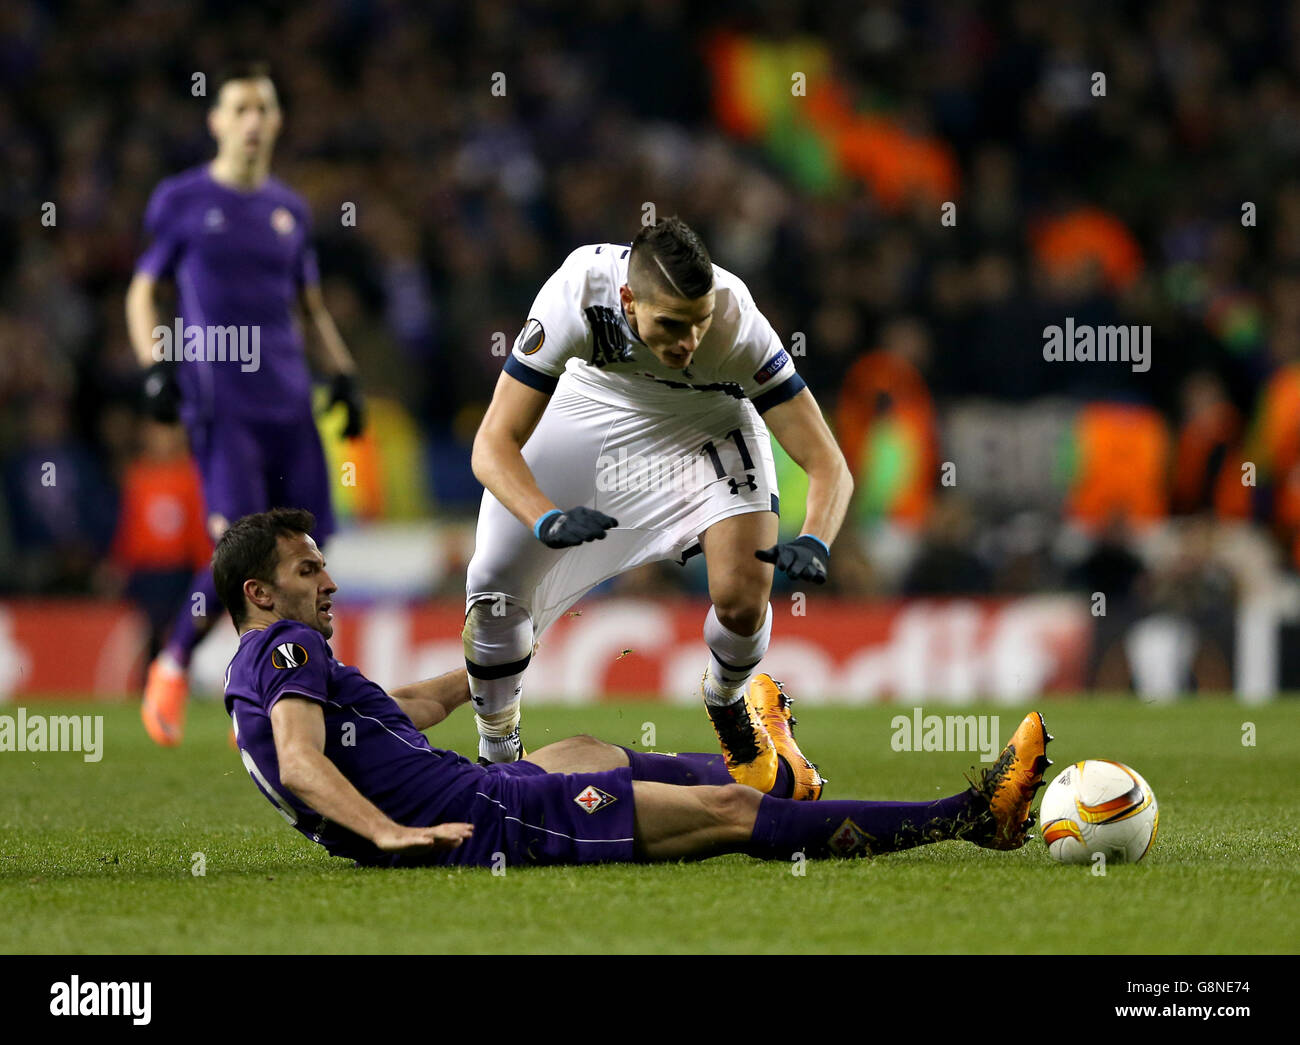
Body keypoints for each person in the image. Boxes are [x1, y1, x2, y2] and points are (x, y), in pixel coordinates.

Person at [216, 508, 1051, 869]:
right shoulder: (283, 648)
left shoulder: (276, 670)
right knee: (731, 821)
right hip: (490, 824)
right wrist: (386, 832)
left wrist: (495, 663)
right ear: (260, 592)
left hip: (484, 788)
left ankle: (769, 768)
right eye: (307, 567)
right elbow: (300, 762)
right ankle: (972, 815)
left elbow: (403, 715)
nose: (328, 579)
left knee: (578, 748)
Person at [464, 217, 855, 798]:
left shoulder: (738, 325)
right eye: (671, 324)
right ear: (626, 299)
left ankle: (726, 702)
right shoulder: (577, 292)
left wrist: (817, 538)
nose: (687, 342)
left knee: (744, 599)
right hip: (593, 405)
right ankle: (499, 757)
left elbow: (829, 463)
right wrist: (544, 516)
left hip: (707, 419)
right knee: (494, 592)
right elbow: (492, 443)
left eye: (697, 325)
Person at [125, 61, 365, 745]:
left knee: (307, 551)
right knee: (242, 550)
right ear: (217, 121)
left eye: (265, 107)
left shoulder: (289, 210)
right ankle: (172, 663)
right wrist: (154, 367)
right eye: (240, 108)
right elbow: (142, 291)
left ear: (278, 121)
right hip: (223, 405)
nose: (253, 120)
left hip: (291, 402)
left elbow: (309, 307)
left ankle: (294, 682)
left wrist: (344, 375)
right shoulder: (182, 199)